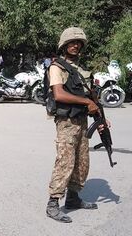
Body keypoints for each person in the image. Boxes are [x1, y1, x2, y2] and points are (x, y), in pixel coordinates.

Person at [44, 27, 105, 223]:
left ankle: (73, 198)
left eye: (78, 43)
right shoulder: (57, 67)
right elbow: (59, 94)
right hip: (67, 122)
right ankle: (53, 203)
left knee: (81, 161)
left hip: (82, 119)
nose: (75, 45)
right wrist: (87, 103)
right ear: (64, 45)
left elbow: (91, 97)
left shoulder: (81, 70)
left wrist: (101, 118)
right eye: (71, 42)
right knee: (65, 161)